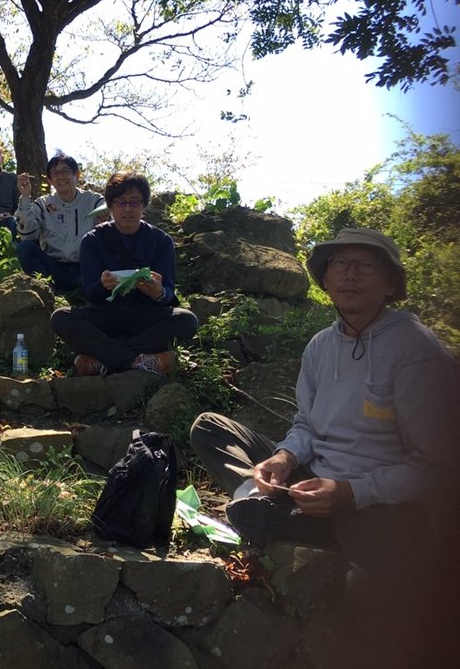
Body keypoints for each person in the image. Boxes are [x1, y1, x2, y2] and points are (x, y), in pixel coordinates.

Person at [189, 228, 459, 666]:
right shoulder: (320, 345)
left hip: (377, 500)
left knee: (376, 595)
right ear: (325, 278)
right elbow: (306, 425)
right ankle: (273, 501)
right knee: (210, 426)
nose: (350, 274)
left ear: (390, 282)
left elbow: (438, 466)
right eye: (340, 264)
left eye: (365, 265)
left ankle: (281, 515)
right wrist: (283, 457)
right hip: (313, 477)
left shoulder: (415, 349)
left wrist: (352, 492)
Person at [50, 172, 198, 375]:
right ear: (110, 206)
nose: (127, 209)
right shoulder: (93, 240)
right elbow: (89, 293)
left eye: (134, 202)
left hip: (145, 316)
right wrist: (103, 285)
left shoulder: (161, 241)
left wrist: (158, 293)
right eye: (121, 202)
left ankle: (104, 360)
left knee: (187, 320)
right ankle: (139, 361)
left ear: (144, 205)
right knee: (60, 317)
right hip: (105, 316)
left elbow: (169, 294)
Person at [15, 151, 104, 292]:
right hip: (54, 267)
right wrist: (25, 197)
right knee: (24, 247)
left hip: (86, 268)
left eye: (65, 171)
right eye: (55, 173)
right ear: (50, 180)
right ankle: (45, 290)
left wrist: (105, 221)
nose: (61, 176)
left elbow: (112, 229)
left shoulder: (95, 201)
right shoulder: (43, 204)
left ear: (76, 175)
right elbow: (28, 235)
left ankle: (89, 293)